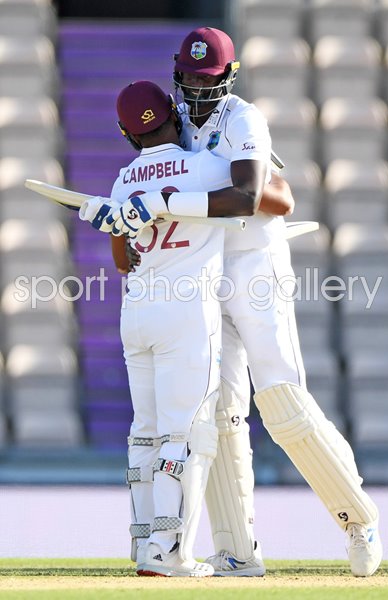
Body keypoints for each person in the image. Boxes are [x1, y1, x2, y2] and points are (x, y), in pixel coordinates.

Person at [107, 27, 383, 578]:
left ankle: (359, 520)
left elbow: (271, 196)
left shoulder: (242, 118)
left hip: (256, 268)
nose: (195, 89)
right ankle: (237, 552)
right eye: (188, 77)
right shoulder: (174, 122)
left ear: (227, 77)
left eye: (206, 79)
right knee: (220, 413)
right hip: (203, 276)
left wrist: (169, 201)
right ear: (177, 73)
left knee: (280, 401)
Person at [79, 79, 270, 577]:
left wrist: (111, 219)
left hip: (136, 313)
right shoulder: (206, 167)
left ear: (126, 132)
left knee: (145, 433)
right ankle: (171, 553)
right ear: (175, 115)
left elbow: (123, 258)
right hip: (186, 314)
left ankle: (145, 547)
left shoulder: (123, 181)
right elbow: (251, 198)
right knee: (185, 434)